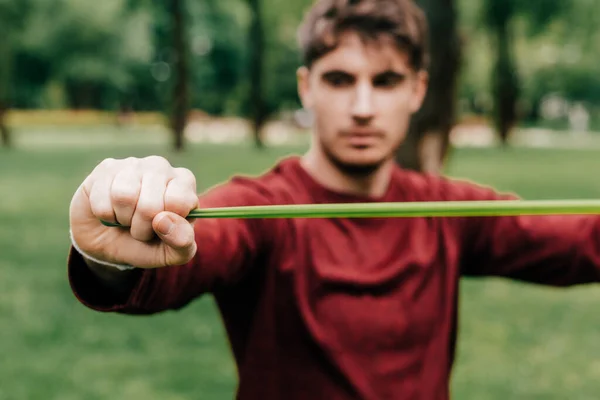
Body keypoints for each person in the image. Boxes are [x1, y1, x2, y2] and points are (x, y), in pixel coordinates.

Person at [67, 0, 600, 399]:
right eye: (341, 79)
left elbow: (580, 242)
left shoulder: (445, 210)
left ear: (417, 90)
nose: (363, 107)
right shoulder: (262, 208)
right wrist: (109, 250)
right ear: (306, 87)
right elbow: (189, 255)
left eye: (386, 81)